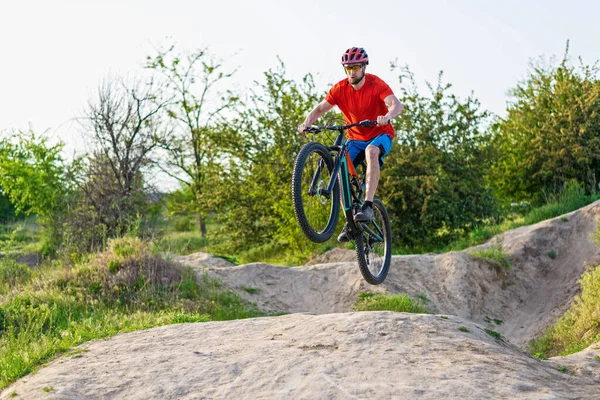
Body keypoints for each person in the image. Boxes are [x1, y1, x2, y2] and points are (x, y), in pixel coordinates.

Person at [298, 47, 404, 242]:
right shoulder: (340, 89)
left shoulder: (376, 84)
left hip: (380, 135)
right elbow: (320, 108)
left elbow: (397, 105)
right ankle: (350, 222)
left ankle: (368, 206)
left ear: (364, 67)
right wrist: (307, 122)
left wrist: (387, 117)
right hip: (355, 138)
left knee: (372, 150)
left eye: (355, 67)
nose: (352, 72)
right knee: (340, 172)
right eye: (348, 68)